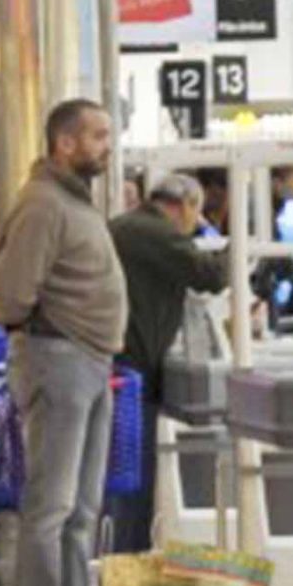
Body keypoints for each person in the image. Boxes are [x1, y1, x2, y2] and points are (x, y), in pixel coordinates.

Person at [0, 99, 133, 586]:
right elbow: (10, 293)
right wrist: (49, 332)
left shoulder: (76, 202)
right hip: (58, 358)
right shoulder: (43, 204)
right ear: (64, 143)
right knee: (50, 507)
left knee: (82, 507)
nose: (106, 146)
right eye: (97, 136)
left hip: (91, 360)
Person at [106, 170, 229, 552]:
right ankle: (127, 564)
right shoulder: (157, 233)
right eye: (196, 214)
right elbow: (212, 276)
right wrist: (232, 246)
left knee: (117, 476)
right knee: (134, 479)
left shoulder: (125, 226)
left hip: (113, 363)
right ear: (185, 206)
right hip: (132, 370)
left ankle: (116, 559)